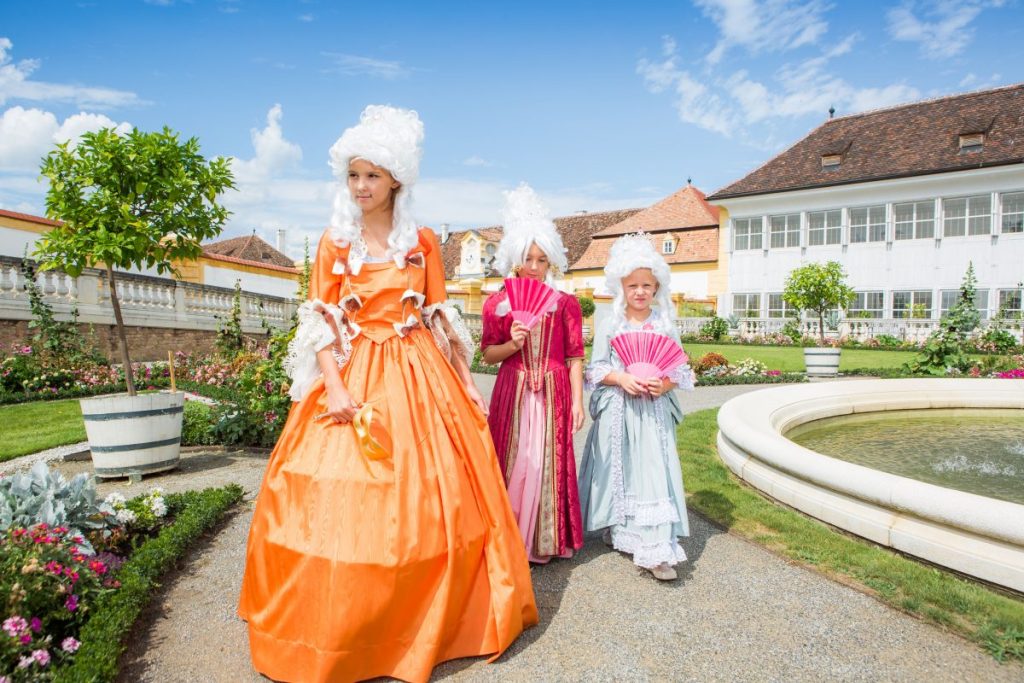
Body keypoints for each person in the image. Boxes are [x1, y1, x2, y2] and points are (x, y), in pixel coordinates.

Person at [238, 105, 538, 683]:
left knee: (431, 497)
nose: (361, 186)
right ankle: (345, 628)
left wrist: (466, 386)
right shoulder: (334, 242)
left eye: (372, 175)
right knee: (342, 496)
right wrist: (335, 387)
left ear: (395, 179)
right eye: (353, 175)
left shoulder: (422, 241)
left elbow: (440, 317)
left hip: (417, 369)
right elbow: (320, 322)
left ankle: (420, 621)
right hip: (354, 369)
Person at [577, 233, 695, 581]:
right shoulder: (610, 324)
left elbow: (678, 369)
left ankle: (656, 547)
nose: (640, 292)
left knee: (653, 471)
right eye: (633, 286)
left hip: (653, 411)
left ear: (657, 287)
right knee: (622, 468)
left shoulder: (664, 325)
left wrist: (664, 384)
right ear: (621, 287)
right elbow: (596, 369)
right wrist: (621, 377)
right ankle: (622, 528)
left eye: (646, 285)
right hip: (620, 409)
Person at [480, 184, 585, 564]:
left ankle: (544, 540)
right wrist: (512, 342)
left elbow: (575, 356)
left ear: (551, 261)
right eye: (529, 258)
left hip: (554, 391)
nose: (535, 267)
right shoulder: (498, 304)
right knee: (517, 459)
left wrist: (577, 402)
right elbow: (488, 356)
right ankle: (508, 537)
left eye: (542, 259)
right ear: (516, 259)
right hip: (514, 389)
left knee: (545, 462)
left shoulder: (566, 304)